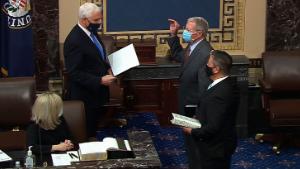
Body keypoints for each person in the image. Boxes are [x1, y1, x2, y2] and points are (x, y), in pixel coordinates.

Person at [64, 2, 116, 137]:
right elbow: (74, 73)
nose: (100, 22)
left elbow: (96, 57)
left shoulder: (91, 32)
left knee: (94, 128)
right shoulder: (74, 40)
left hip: (95, 95)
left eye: (100, 19)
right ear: (84, 20)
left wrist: (108, 67)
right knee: (86, 133)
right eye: (96, 20)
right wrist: (99, 80)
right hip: (85, 97)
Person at [167, 17, 213, 169]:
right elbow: (179, 56)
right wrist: (174, 35)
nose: (184, 32)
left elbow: (205, 86)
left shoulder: (205, 53)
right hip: (186, 101)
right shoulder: (193, 46)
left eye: (188, 30)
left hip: (194, 106)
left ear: (199, 33)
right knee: (189, 141)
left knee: (196, 143)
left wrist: (198, 112)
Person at [183, 50, 239, 169]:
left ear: (216, 69)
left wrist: (191, 130)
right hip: (219, 144)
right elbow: (214, 113)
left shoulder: (220, 94)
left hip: (215, 148)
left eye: (208, 64)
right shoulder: (224, 84)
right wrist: (197, 118)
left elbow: (213, 127)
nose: (205, 67)